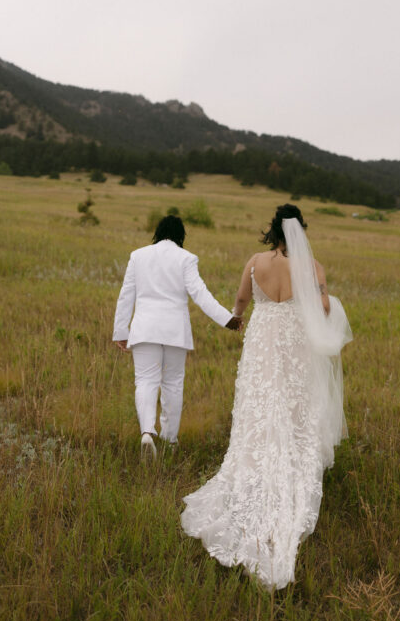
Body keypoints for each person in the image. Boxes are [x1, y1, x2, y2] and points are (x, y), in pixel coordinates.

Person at [180, 204, 353, 589]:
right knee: (294, 403)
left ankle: (255, 460)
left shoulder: (256, 261)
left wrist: (238, 316)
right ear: (300, 231)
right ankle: (291, 459)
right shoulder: (312, 268)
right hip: (294, 343)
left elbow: (242, 299)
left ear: (272, 231)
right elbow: (323, 305)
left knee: (260, 400)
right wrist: (322, 307)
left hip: (262, 340)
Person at [113, 214, 242, 460]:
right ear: (181, 235)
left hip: (144, 328)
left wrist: (121, 331)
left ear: (157, 232)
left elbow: (125, 295)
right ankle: (170, 440)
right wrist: (227, 319)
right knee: (173, 383)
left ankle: (147, 432)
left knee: (145, 381)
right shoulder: (186, 258)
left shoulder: (137, 256)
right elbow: (200, 294)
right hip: (174, 330)